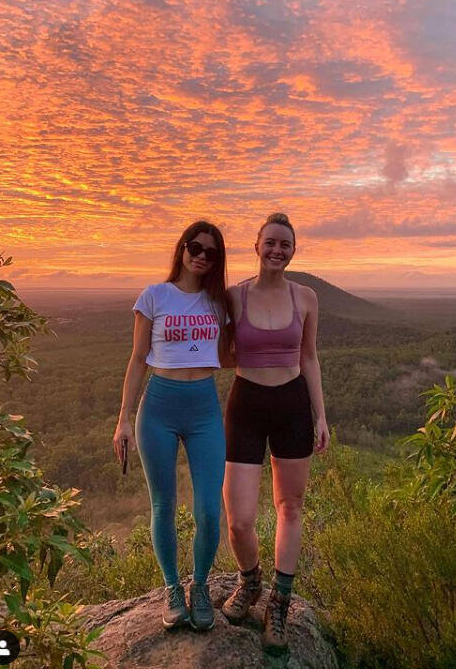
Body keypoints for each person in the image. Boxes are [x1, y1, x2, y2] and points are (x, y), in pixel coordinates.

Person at [221, 212, 330, 653]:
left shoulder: (306, 298)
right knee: (240, 519)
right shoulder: (233, 297)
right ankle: (250, 582)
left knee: (290, 506)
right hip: (245, 404)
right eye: (271, 242)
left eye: (286, 244)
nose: (277, 250)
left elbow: (309, 358)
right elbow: (221, 353)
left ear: (293, 250)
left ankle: (279, 603)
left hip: (292, 405)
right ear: (256, 245)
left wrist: (320, 416)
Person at [113, 221, 230, 631]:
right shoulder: (155, 297)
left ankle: (199, 585)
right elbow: (137, 359)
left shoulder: (220, 303)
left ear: (217, 260)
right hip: (158, 406)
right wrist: (123, 419)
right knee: (163, 505)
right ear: (182, 248)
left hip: (204, 407)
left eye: (210, 252)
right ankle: (172, 588)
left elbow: (238, 349)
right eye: (195, 247)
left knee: (209, 510)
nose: (200, 255)